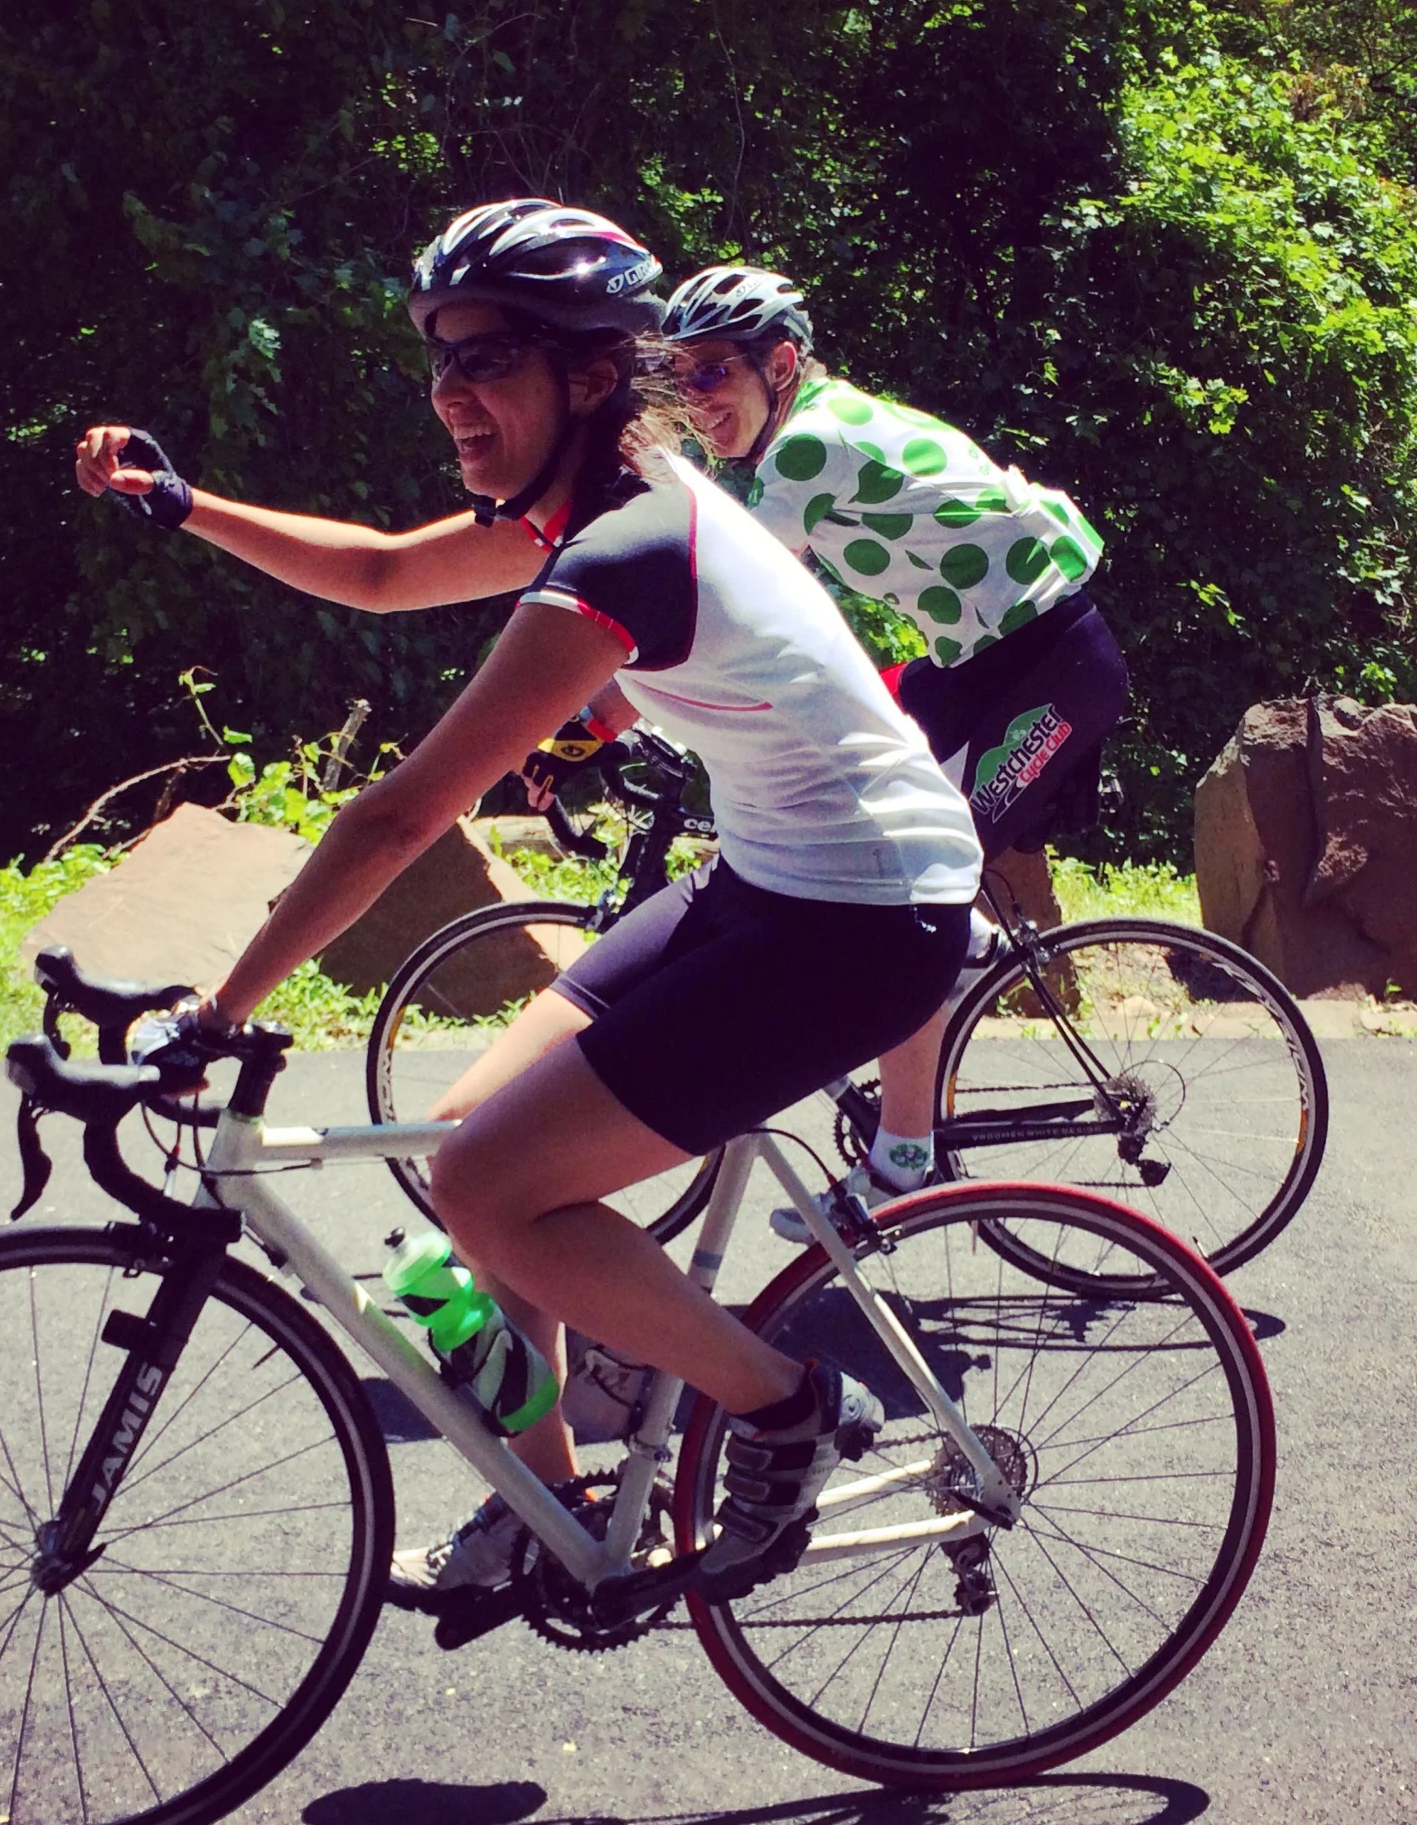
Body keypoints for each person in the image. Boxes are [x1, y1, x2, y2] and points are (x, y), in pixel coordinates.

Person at [73, 200, 982, 1612]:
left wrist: (219, 1011)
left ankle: (785, 1404)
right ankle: (548, 1510)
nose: (450, 392)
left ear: (590, 373)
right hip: (768, 877)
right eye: (438, 359)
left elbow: (401, 815)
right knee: (458, 1160)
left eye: (486, 358)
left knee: (488, 1187)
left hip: (868, 916)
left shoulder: (628, 551)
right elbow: (382, 572)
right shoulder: (584, 512)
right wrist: (189, 508)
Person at [655, 263, 1130, 1234]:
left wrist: (603, 709)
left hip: (1047, 668)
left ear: (779, 364)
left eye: (710, 373)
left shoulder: (806, 448)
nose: (693, 399)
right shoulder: (813, 427)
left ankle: (905, 1159)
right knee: (853, 770)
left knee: (913, 898)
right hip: (982, 663)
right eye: (677, 377)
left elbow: (713, 591)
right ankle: (963, 954)